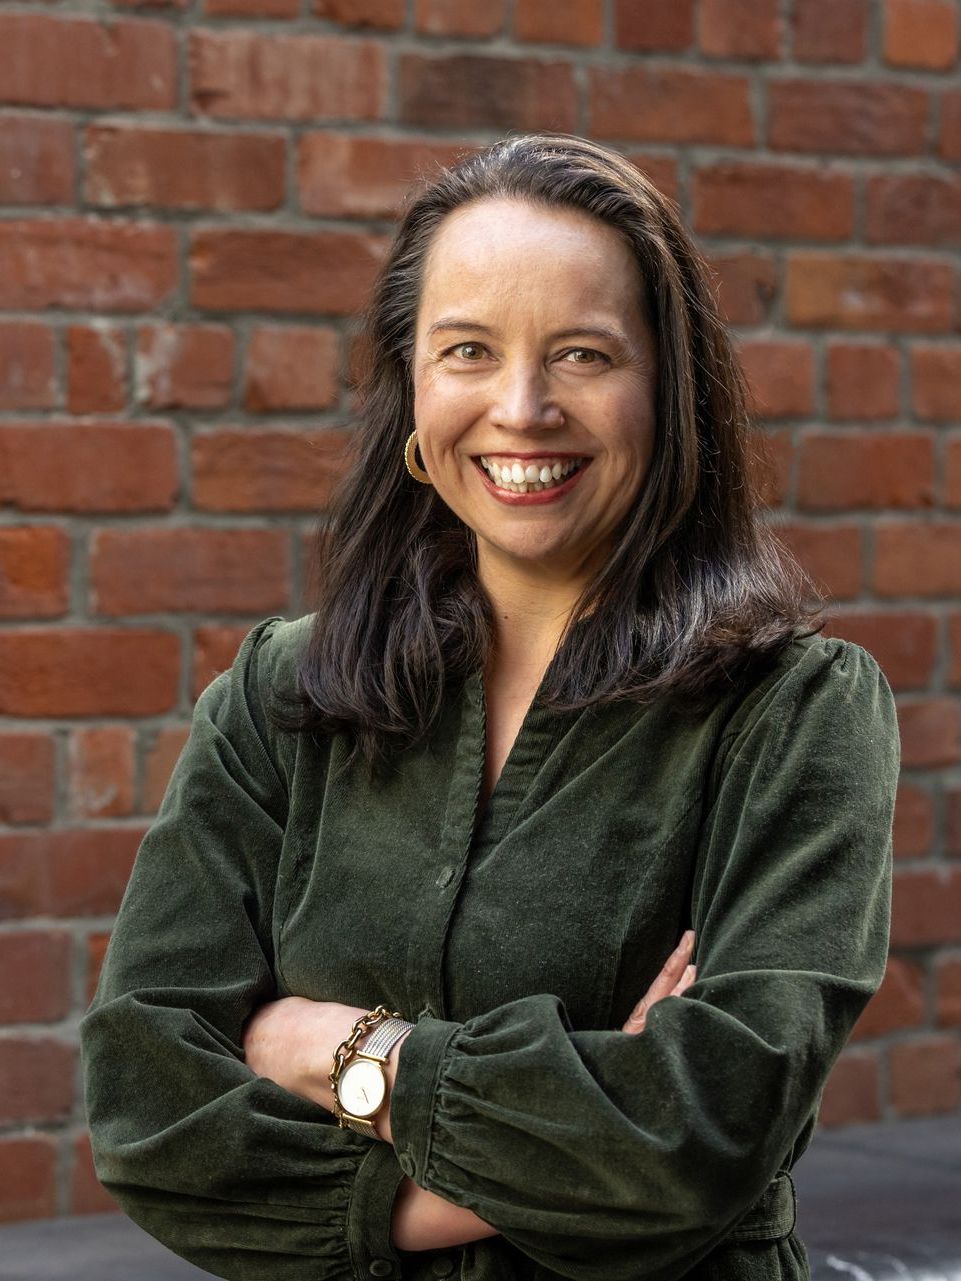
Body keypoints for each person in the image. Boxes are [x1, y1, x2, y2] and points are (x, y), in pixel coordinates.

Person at [80, 132, 900, 1281]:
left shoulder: (792, 714)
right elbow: (148, 1118)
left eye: (581, 354)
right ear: (412, 385)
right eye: (468, 350)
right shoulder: (279, 699)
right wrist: (560, 1133)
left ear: (669, 388)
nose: (521, 408)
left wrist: (340, 1050)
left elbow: (696, 1137)